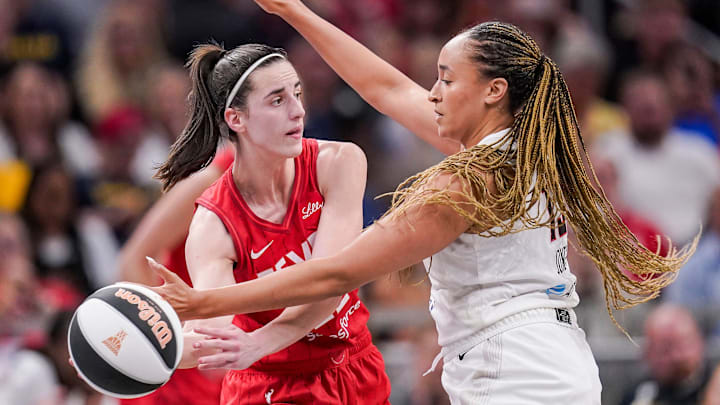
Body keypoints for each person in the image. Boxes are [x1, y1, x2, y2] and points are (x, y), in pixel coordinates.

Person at [148, 1, 696, 403]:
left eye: (445, 79)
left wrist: (209, 304)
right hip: (555, 364)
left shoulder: (468, 183)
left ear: (493, 91)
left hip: (513, 374)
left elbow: (334, 273)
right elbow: (385, 89)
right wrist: (295, 12)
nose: (431, 92)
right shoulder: (530, 147)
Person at [149, 42, 391, 405]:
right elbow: (212, 329)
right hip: (268, 385)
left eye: (297, 93)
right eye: (277, 101)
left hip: (354, 367)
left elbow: (332, 282)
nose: (298, 111)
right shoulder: (212, 224)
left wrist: (258, 342)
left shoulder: (339, 162)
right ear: (236, 119)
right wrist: (140, 349)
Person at [116, 150, 233, 405]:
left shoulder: (307, 180)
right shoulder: (213, 182)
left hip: (241, 364)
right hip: (182, 372)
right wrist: (170, 342)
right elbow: (134, 261)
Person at [619, 305, 713, 405]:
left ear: (699, 340)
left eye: (682, 345)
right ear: (648, 352)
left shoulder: (713, 388)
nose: (676, 356)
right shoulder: (641, 395)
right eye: (664, 349)